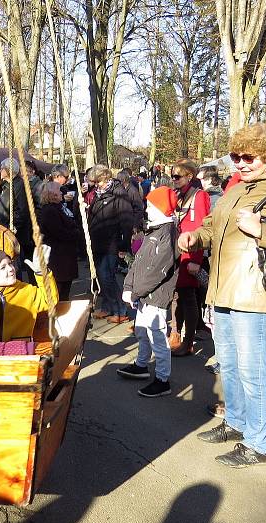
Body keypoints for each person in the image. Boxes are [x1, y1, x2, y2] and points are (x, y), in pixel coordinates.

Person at [179, 123, 266, 468]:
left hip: (258, 296)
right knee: (229, 365)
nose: (240, 162)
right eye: (236, 156)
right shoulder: (237, 190)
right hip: (225, 290)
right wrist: (196, 236)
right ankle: (236, 423)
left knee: (254, 371)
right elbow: (213, 224)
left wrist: (263, 231)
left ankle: (257, 443)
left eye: (248, 157)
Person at [117, 186, 179, 397]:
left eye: (151, 205)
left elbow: (158, 271)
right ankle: (142, 365)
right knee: (142, 331)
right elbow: (138, 263)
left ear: (161, 208)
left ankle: (163, 379)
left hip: (156, 296)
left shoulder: (168, 234)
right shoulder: (154, 230)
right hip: (143, 295)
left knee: (158, 338)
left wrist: (136, 292)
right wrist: (128, 286)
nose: (147, 209)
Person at [88, 164, 143, 324]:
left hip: (111, 243)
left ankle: (120, 310)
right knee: (100, 276)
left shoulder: (118, 194)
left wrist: (123, 246)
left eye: (98, 181)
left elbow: (125, 221)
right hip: (98, 241)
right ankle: (107, 307)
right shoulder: (99, 194)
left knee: (108, 277)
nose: (96, 185)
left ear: (105, 178)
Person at [169, 158, 211, 356]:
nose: (174, 179)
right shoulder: (180, 195)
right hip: (178, 252)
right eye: (172, 176)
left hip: (190, 253)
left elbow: (202, 229)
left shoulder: (199, 196)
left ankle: (189, 341)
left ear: (189, 176)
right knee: (177, 295)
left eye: (177, 176)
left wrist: (195, 260)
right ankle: (175, 333)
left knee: (188, 296)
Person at [39, 181, 82, 301]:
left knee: (63, 292)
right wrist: (76, 233)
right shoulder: (50, 211)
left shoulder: (58, 208)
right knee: (59, 293)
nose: (62, 193)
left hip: (63, 257)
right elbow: (59, 232)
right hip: (58, 258)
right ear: (52, 194)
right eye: (59, 190)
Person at [0, 158, 31, 277]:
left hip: (14, 231)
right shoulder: (4, 185)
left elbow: (22, 209)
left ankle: (17, 283)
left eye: (2, 168)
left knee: (15, 260)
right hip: (3, 228)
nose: (0, 171)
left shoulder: (19, 185)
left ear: (9, 170)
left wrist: (14, 226)